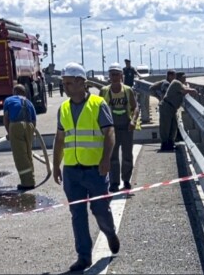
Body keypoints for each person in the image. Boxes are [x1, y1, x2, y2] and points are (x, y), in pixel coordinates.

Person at [53, 62, 120, 272]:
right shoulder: (63, 108)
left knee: (100, 210)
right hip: (72, 171)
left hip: (95, 170)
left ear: (81, 83)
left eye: (69, 83)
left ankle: (109, 232)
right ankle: (84, 257)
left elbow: (109, 132)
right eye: (64, 83)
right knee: (77, 214)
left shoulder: (98, 104)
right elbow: (60, 138)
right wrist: (56, 166)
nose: (65, 87)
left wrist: (106, 159)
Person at [100, 62, 139, 193]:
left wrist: (133, 121)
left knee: (127, 155)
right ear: (109, 76)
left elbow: (135, 107)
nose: (115, 77)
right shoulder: (104, 91)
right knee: (112, 156)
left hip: (126, 127)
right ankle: (114, 183)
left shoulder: (128, 90)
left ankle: (126, 181)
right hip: (111, 129)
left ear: (121, 76)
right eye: (112, 75)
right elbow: (98, 110)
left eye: (117, 74)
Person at [3, 84, 37, 190]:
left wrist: (9, 133)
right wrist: (31, 132)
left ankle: (27, 183)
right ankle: (31, 178)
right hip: (30, 126)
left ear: (14, 92)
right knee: (27, 153)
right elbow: (34, 120)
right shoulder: (29, 103)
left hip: (16, 125)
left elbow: (6, 119)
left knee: (20, 155)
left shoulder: (8, 100)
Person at [158, 72, 197, 151]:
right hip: (167, 106)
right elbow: (185, 90)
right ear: (179, 77)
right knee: (165, 127)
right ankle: (164, 145)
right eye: (184, 77)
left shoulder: (180, 84)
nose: (185, 79)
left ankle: (170, 144)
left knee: (173, 126)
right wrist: (193, 90)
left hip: (172, 108)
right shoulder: (176, 83)